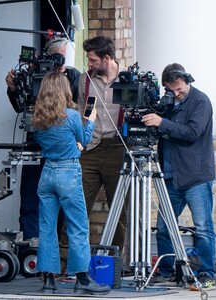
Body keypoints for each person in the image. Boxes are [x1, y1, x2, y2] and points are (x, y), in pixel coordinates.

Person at [33, 71, 110, 295]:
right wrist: (91, 121)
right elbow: (84, 141)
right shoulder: (72, 116)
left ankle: (48, 281)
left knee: (47, 228)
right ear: (64, 90)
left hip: (47, 173)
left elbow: (49, 143)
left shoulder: (38, 118)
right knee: (77, 226)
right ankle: (83, 279)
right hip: (68, 171)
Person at [141, 63, 216, 290]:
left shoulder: (200, 101)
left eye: (179, 89)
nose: (175, 94)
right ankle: (166, 272)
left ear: (187, 81)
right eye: (170, 90)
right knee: (163, 228)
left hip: (196, 176)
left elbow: (192, 133)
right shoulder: (168, 104)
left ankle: (207, 274)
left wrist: (162, 122)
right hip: (170, 176)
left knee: (203, 227)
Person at [5, 38, 80, 240]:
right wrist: (13, 88)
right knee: (31, 201)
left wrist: (63, 78)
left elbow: (75, 108)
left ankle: (58, 254)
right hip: (35, 147)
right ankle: (31, 247)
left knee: (63, 204)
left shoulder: (73, 76)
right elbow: (21, 106)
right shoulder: (33, 73)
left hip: (62, 153)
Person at [77, 36, 127, 251]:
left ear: (107, 58)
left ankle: (116, 260)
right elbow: (83, 113)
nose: (89, 64)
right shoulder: (84, 80)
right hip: (90, 147)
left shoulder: (128, 78)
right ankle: (68, 261)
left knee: (121, 207)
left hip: (117, 148)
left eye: (93, 60)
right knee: (77, 205)